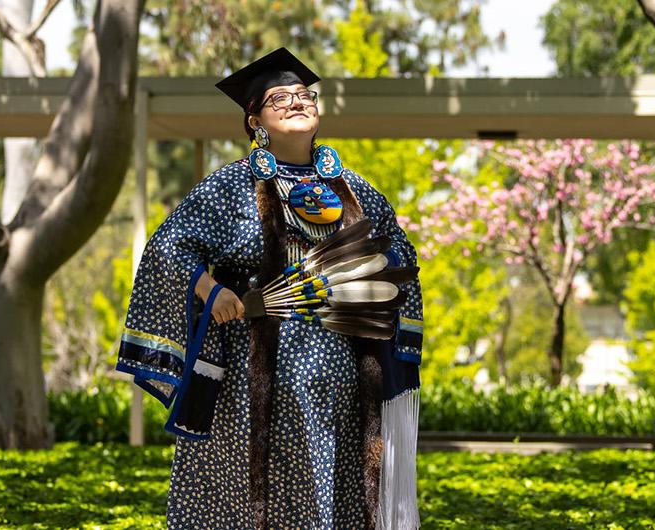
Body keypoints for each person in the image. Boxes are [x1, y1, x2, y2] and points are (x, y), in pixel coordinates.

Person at [114, 48, 426, 529]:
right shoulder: (231, 186)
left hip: (340, 382)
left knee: (338, 494)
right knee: (252, 499)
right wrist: (210, 290)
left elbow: (400, 257)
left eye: (305, 95)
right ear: (254, 119)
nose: (297, 102)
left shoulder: (357, 190)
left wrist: (367, 279)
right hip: (251, 380)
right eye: (280, 97)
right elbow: (167, 248)